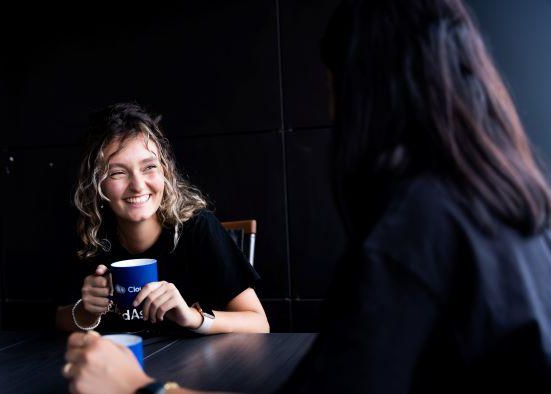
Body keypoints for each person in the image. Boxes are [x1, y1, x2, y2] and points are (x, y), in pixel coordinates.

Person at [63, 0, 551, 392]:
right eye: (117, 173)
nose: (333, 113)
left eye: (335, 90)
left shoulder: (416, 234)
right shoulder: (493, 206)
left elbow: (265, 328)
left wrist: (140, 388)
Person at [55, 103, 269, 336]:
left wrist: (190, 316)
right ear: (96, 185)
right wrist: (87, 311)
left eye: (149, 167)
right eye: (117, 172)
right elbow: (61, 320)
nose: (137, 186)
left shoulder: (198, 228)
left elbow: (259, 323)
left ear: (165, 172)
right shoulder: (92, 234)